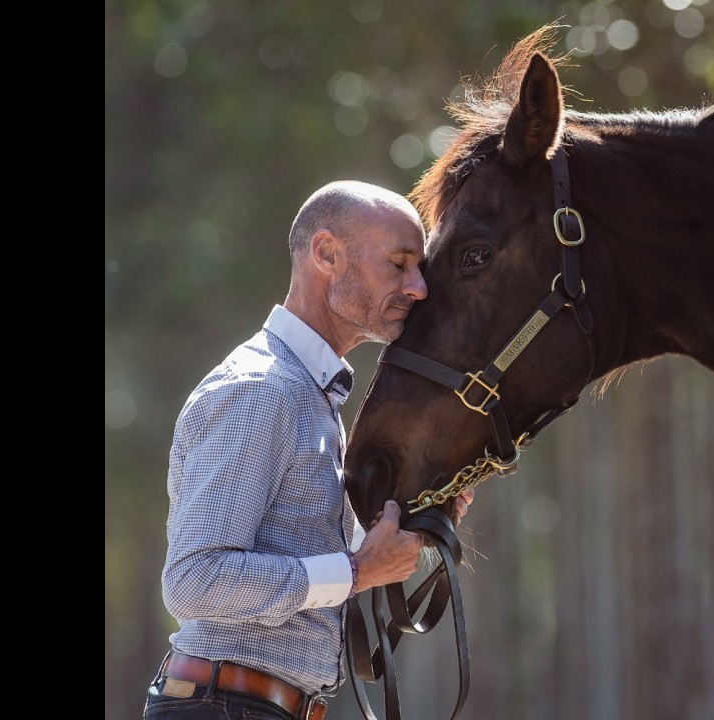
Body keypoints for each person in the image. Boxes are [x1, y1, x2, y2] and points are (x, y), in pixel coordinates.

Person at [142, 180, 473, 720]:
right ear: (326, 254)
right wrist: (358, 573)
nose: (419, 287)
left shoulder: (305, 392)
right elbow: (194, 581)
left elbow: (300, 545)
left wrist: (416, 520)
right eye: (399, 263)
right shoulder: (260, 389)